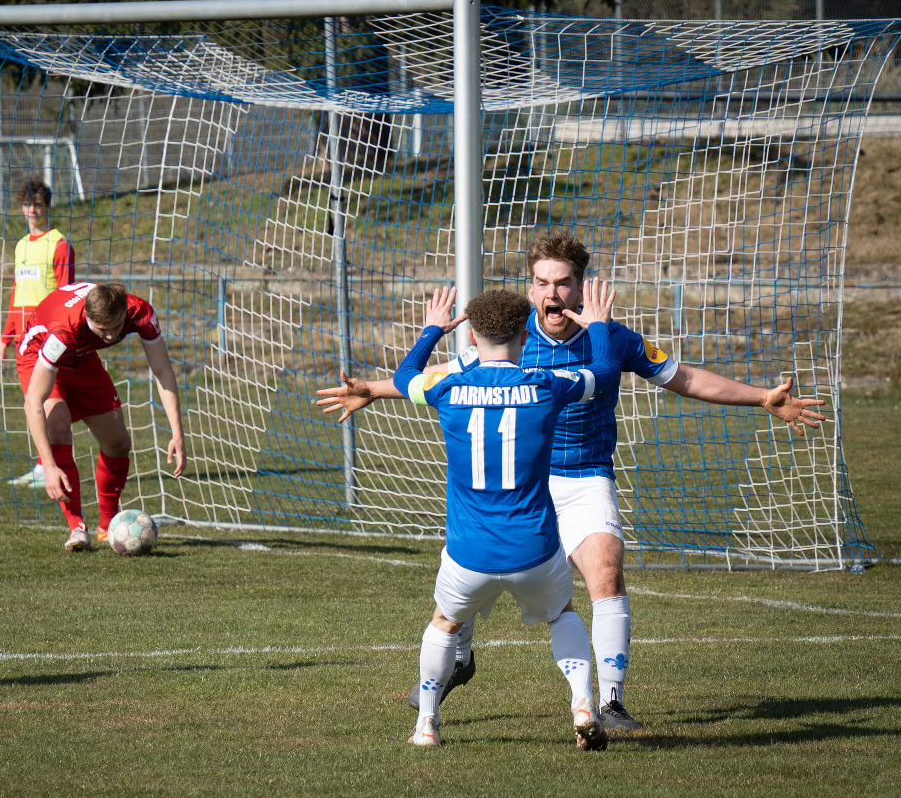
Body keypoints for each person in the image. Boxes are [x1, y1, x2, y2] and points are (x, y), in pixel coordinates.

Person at [317, 232, 828, 731]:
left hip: (585, 477)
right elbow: (444, 376)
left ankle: (611, 702)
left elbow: (685, 378)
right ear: (530, 288)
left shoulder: (615, 338)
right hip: (521, 486)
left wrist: (762, 396)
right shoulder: (510, 339)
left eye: (562, 283)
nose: (551, 293)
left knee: (605, 574)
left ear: (581, 287)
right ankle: (459, 659)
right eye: (541, 282)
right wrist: (373, 390)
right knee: (479, 570)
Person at [396, 283, 618, 749]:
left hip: (469, 553)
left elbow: (405, 376)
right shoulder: (544, 385)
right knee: (561, 614)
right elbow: (604, 371)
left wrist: (432, 331)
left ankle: (427, 726)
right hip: (534, 549)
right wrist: (597, 325)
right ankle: (583, 705)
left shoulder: (447, 388)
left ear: (471, 338)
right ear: (524, 335)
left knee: (444, 623)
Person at [17, 282, 186, 552]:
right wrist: (47, 466)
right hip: (37, 356)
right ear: (87, 317)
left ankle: (108, 527)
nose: (109, 337)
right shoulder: (64, 330)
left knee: (118, 443)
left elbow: (163, 371)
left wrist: (177, 432)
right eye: (101, 330)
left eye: (115, 328)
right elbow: (33, 401)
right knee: (58, 425)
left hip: (82, 357)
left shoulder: (140, 313)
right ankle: (76, 527)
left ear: (124, 313)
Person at [0, 178, 77, 489]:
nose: (32, 210)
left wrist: (59, 333)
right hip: (22, 340)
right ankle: (43, 464)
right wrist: (5, 337)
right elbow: (17, 292)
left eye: (38, 204)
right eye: (27, 204)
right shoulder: (20, 245)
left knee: (50, 402)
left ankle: (51, 466)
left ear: (47, 207)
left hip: (48, 339)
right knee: (33, 402)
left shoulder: (60, 244)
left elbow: (66, 293)